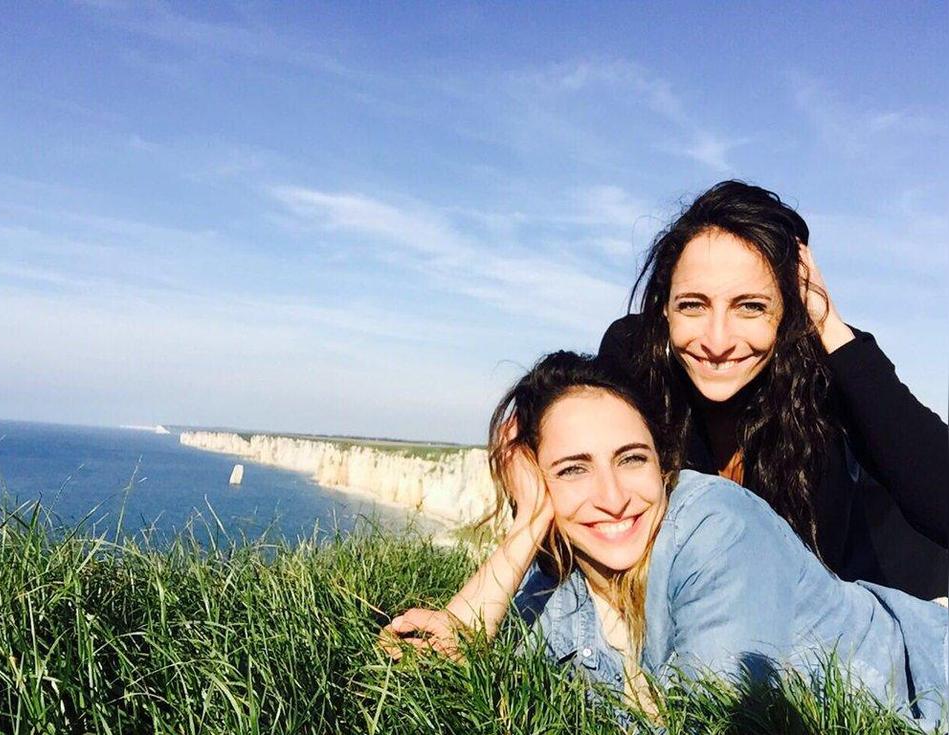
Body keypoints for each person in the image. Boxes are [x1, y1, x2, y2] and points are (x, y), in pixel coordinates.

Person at [381, 352, 948, 728]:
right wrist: (528, 526)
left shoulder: (717, 526)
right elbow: (445, 669)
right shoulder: (561, 566)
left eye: (631, 459)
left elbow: (710, 719)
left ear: (662, 462)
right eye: (573, 470)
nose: (613, 497)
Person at [597, 180, 947, 598]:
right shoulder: (636, 359)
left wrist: (828, 326)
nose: (718, 341)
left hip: (890, 597)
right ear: (664, 307)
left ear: (788, 310)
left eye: (751, 307)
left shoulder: (825, 369)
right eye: (693, 305)